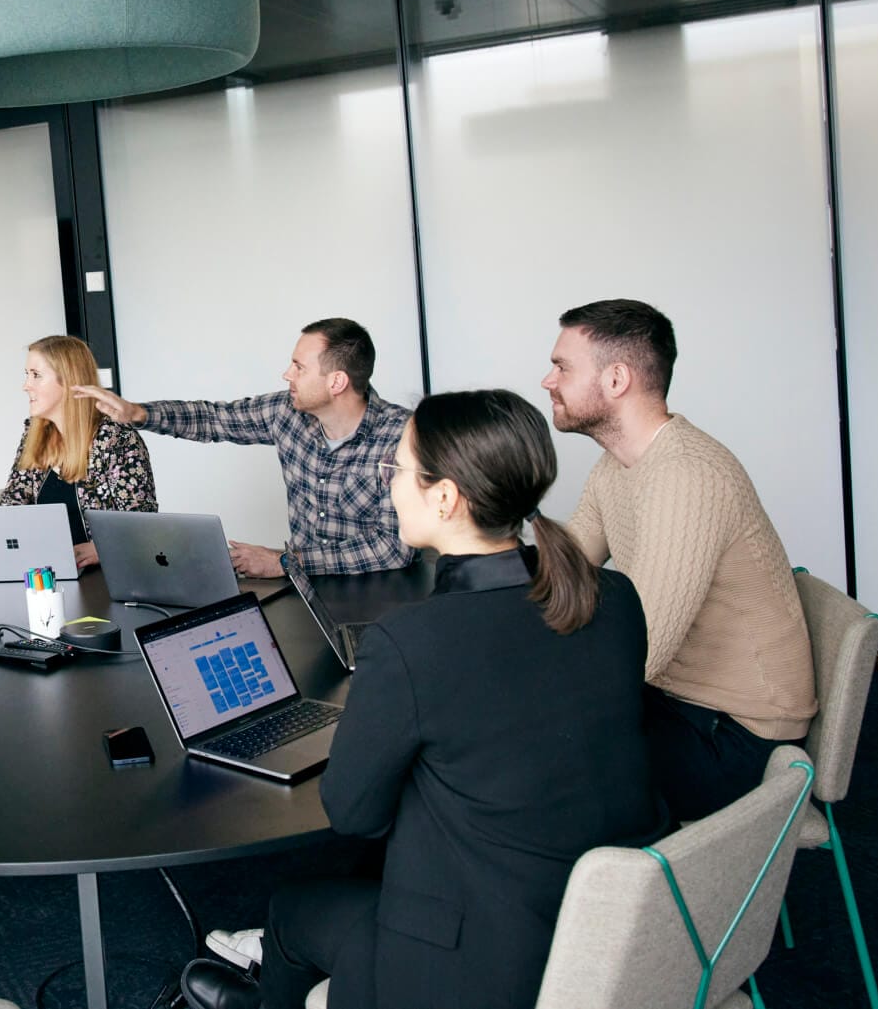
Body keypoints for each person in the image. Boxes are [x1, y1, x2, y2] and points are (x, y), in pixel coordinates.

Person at [180, 390, 667, 1009]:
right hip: (613, 922)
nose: (388, 485)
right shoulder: (614, 596)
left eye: (398, 468)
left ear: (445, 496)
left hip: (480, 957)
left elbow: (353, 815)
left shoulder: (413, 643)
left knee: (290, 909)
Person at [541, 298, 817, 823]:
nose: (547, 381)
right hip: (680, 703)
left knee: (527, 758)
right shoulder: (618, 464)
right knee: (511, 740)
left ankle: (602, 898)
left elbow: (643, 650)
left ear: (616, 378)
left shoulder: (686, 475)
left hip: (735, 738)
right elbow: (567, 569)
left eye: (561, 366)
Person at [72, 318, 409, 578]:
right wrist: (138, 413)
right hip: (307, 589)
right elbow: (214, 419)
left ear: (337, 382)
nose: (286, 374)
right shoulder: (286, 413)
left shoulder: (401, 436)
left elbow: (392, 549)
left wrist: (286, 561)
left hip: (382, 592)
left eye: (299, 367)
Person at [0, 335, 157, 569]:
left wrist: (104, 546)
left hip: (107, 576)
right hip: (48, 573)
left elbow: (143, 521)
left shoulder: (116, 436)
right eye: (27, 374)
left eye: (36, 375)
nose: (26, 385)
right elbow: (13, 503)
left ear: (69, 382)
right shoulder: (33, 435)